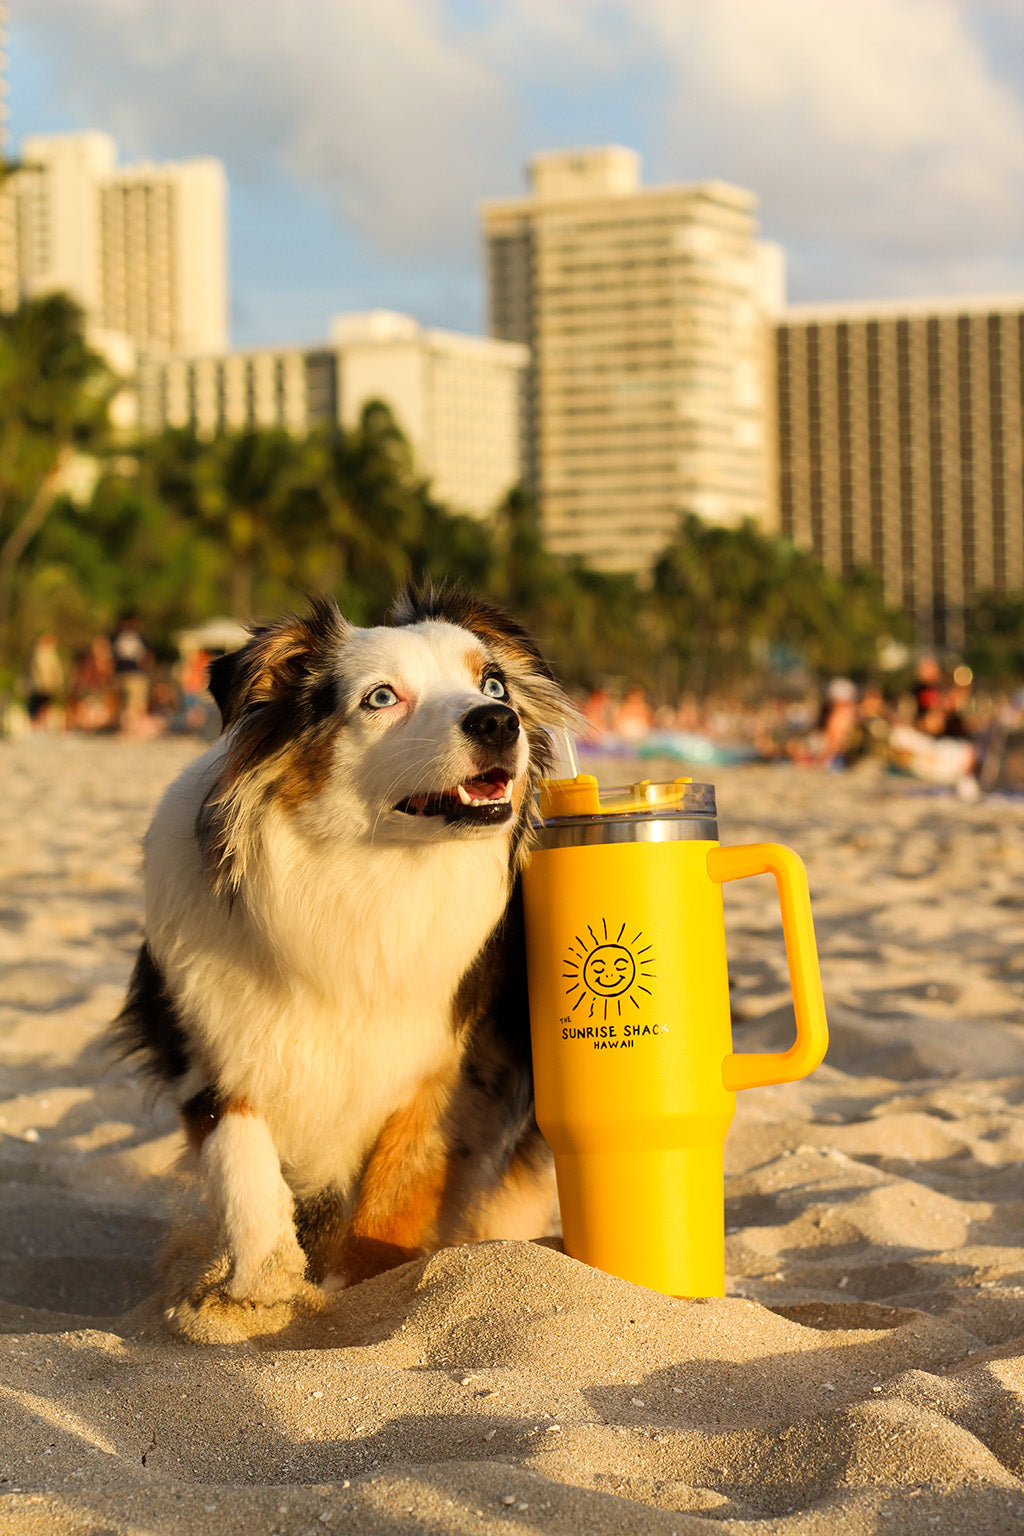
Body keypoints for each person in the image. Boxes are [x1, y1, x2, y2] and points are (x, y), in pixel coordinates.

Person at [110, 616, 152, 732]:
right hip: (129, 675)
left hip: (131, 675)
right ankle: (126, 728)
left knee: (131, 705)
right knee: (127, 705)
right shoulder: (117, 638)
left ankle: (128, 728)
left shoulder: (116, 638)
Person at [26, 633, 64, 729]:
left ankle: (41, 724)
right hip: (41, 685)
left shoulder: (49, 653)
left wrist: (57, 682)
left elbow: (56, 670)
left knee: (44, 705)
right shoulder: (39, 653)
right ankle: (37, 724)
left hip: (47, 685)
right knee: (39, 704)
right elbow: (42, 670)